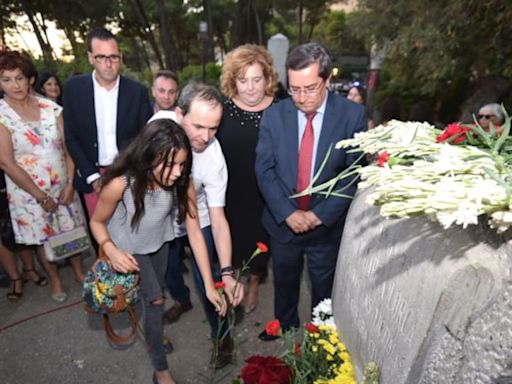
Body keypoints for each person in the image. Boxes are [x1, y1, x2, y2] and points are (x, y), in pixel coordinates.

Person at [89, 119, 226, 384]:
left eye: (182, 164)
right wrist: (110, 249)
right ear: (148, 157)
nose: (177, 173)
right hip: (128, 250)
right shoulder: (121, 184)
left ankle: (154, 331)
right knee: (156, 302)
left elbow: (195, 232)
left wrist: (209, 285)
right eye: (169, 164)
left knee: (154, 298)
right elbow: (96, 221)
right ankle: (161, 370)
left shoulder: (182, 183)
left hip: (161, 245)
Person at [255, 42, 367, 340]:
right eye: (294, 89)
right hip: (284, 224)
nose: (301, 98)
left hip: (326, 228)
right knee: (285, 280)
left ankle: (321, 339)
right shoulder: (274, 115)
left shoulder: (352, 116)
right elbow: (264, 171)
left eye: (310, 88)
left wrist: (318, 216)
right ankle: (286, 329)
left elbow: (352, 173)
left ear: (327, 80)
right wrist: (288, 213)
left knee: (323, 286)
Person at [150, 82, 243, 369]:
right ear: (179, 114)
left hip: (197, 217)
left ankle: (222, 337)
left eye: (214, 128)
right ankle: (180, 301)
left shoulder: (213, 157)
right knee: (164, 272)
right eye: (199, 126)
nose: (206, 137)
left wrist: (227, 272)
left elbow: (217, 219)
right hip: (158, 215)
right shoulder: (157, 129)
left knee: (209, 278)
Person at [0, 50, 85, 302]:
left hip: (63, 185)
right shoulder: (2, 114)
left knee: (70, 230)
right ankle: (56, 280)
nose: (15, 85)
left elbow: (69, 147)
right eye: (6, 79)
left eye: (19, 78)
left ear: (30, 79)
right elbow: (6, 162)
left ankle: (80, 272)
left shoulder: (51, 107)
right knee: (42, 238)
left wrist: (71, 183)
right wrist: (39, 196)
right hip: (28, 194)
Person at [63, 27, 152, 218]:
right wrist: (92, 176)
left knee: (131, 234)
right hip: (92, 175)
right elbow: (71, 137)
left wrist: (130, 173)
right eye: (101, 57)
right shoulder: (73, 89)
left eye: (113, 57)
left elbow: (144, 137)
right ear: (90, 58)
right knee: (102, 236)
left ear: (120, 57)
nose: (108, 64)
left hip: (129, 174)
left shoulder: (138, 92)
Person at [217, 44, 277, 314]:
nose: (251, 88)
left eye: (257, 79)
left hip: (266, 197)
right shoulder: (222, 111)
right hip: (230, 195)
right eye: (243, 80)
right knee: (235, 243)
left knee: (261, 247)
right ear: (233, 81)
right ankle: (235, 279)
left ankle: (254, 283)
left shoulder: (280, 111)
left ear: (268, 80)